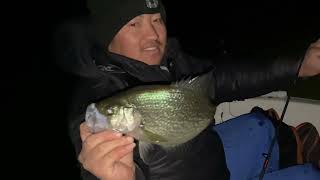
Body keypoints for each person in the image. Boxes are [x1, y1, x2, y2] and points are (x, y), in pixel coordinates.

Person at [53, 0, 320, 179]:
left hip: (212, 160)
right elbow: (94, 161)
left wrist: (299, 65)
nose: (152, 36)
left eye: (157, 20)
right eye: (133, 24)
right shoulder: (94, 100)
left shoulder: (171, 61)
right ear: (106, 35)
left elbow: (225, 78)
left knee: (261, 126)